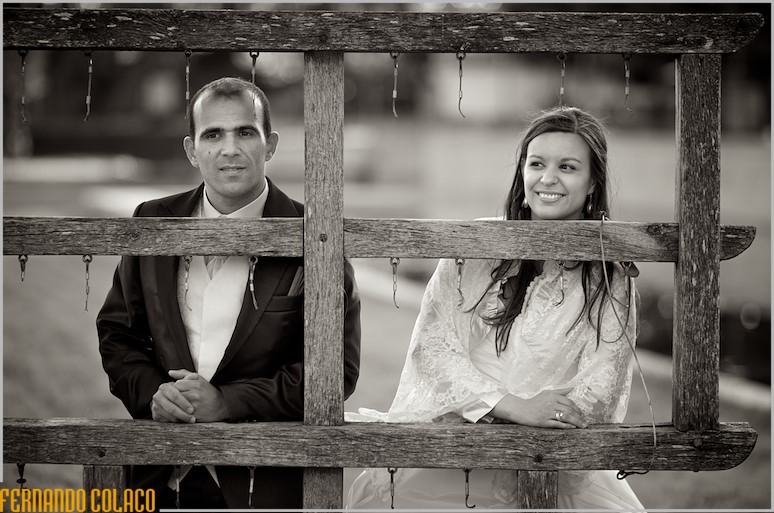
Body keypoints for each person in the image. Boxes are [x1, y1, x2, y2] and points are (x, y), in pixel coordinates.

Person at [346, 106, 643, 510]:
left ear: (593, 183)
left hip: (551, 458)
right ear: (522, 173)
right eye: (536, 163)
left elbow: (603, 387)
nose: (548, 178)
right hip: (458, 444)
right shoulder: (474, 249)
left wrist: (544, 418)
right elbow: (433, 350)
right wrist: (510, 407)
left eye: (568, 167)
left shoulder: (610, 276)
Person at [97, 77, 361, 510]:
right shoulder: (152, 219)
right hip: (157, 476)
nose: (229, 148)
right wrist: (153, 394)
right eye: (213, 134)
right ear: (191, 149)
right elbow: (117, 333)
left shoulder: (318, 233)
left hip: (266, 483)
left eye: (245, 132)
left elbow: (336, 372)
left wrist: (227, 403)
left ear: (270, 144)